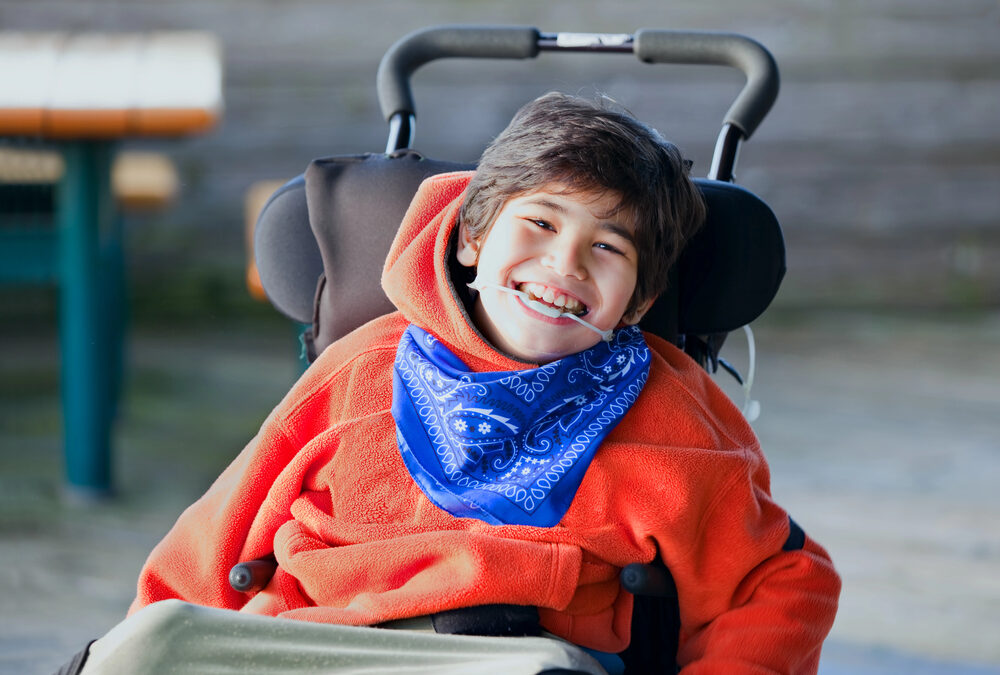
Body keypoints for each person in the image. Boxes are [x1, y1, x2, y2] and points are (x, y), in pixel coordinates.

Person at [68, 92, 840, 674]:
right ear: (472, 238)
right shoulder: (363, 364)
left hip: (507, 655)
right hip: (310, 640)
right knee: (150, 642)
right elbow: (216, 534)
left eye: (606, 247)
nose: (565, 265)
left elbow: (781, 579)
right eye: (539, 223)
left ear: (638, 300)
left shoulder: (669, 413)